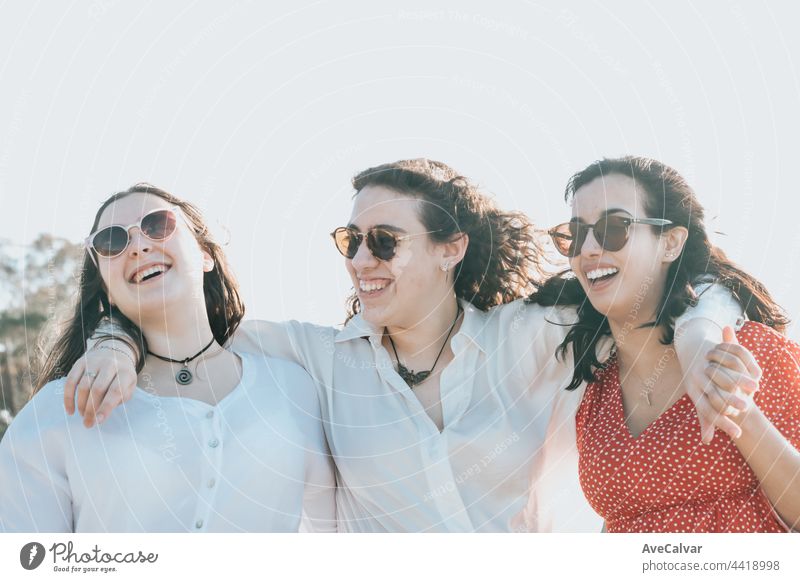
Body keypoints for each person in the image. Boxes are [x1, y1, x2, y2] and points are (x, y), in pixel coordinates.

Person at [60, 160, 748, 532]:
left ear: (451, 249)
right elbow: (181, 325)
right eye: (349, 241)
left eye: (385, 242)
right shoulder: (316, 359)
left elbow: (677, 287)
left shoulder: (531, 337)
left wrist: (696, 338)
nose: (361, 259)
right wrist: (113, 340)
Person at [0, 185, 335, 532]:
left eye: (158, 225)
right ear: (106, 290)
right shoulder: (59, 409)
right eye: (112, 241)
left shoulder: (294, 389)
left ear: (205, 254)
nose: (139, 247)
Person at [521, 156, 799, 532]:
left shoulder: (750, 352)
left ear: (670, 243)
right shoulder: (597, 389)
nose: (587, 248)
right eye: (575, 233)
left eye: (613, 228)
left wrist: (740, 413)